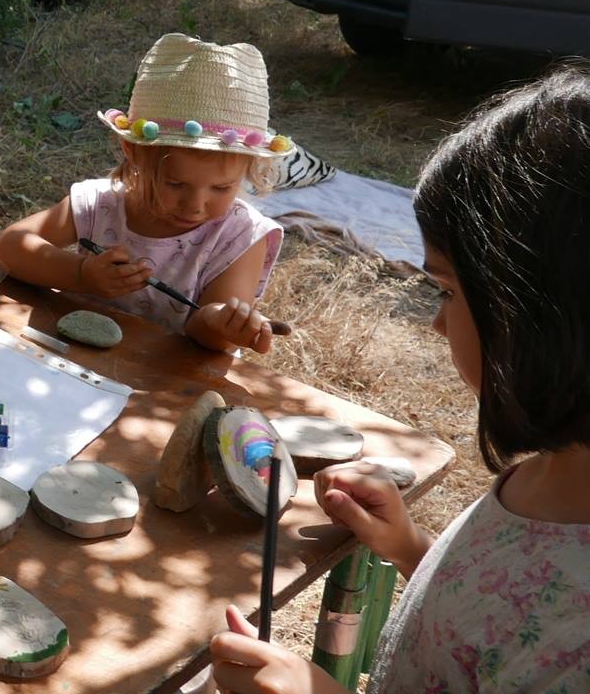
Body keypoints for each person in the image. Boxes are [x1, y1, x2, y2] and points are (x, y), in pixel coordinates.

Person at [208, 64, 590, 693]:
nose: (437, 325)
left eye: (446, 290)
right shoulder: (555, 470)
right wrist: (413, 548)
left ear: (541, 315)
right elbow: (499, 620)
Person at [0, 33, 289, 353]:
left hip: (159, 384)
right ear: (131, 151)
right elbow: (7, 248)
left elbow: (211, 340)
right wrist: (80, 274)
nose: (195, 205)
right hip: (68, 360)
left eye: (222, 188)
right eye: (175, 184)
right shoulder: (100, 205)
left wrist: (222, 324)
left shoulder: (239, 237)